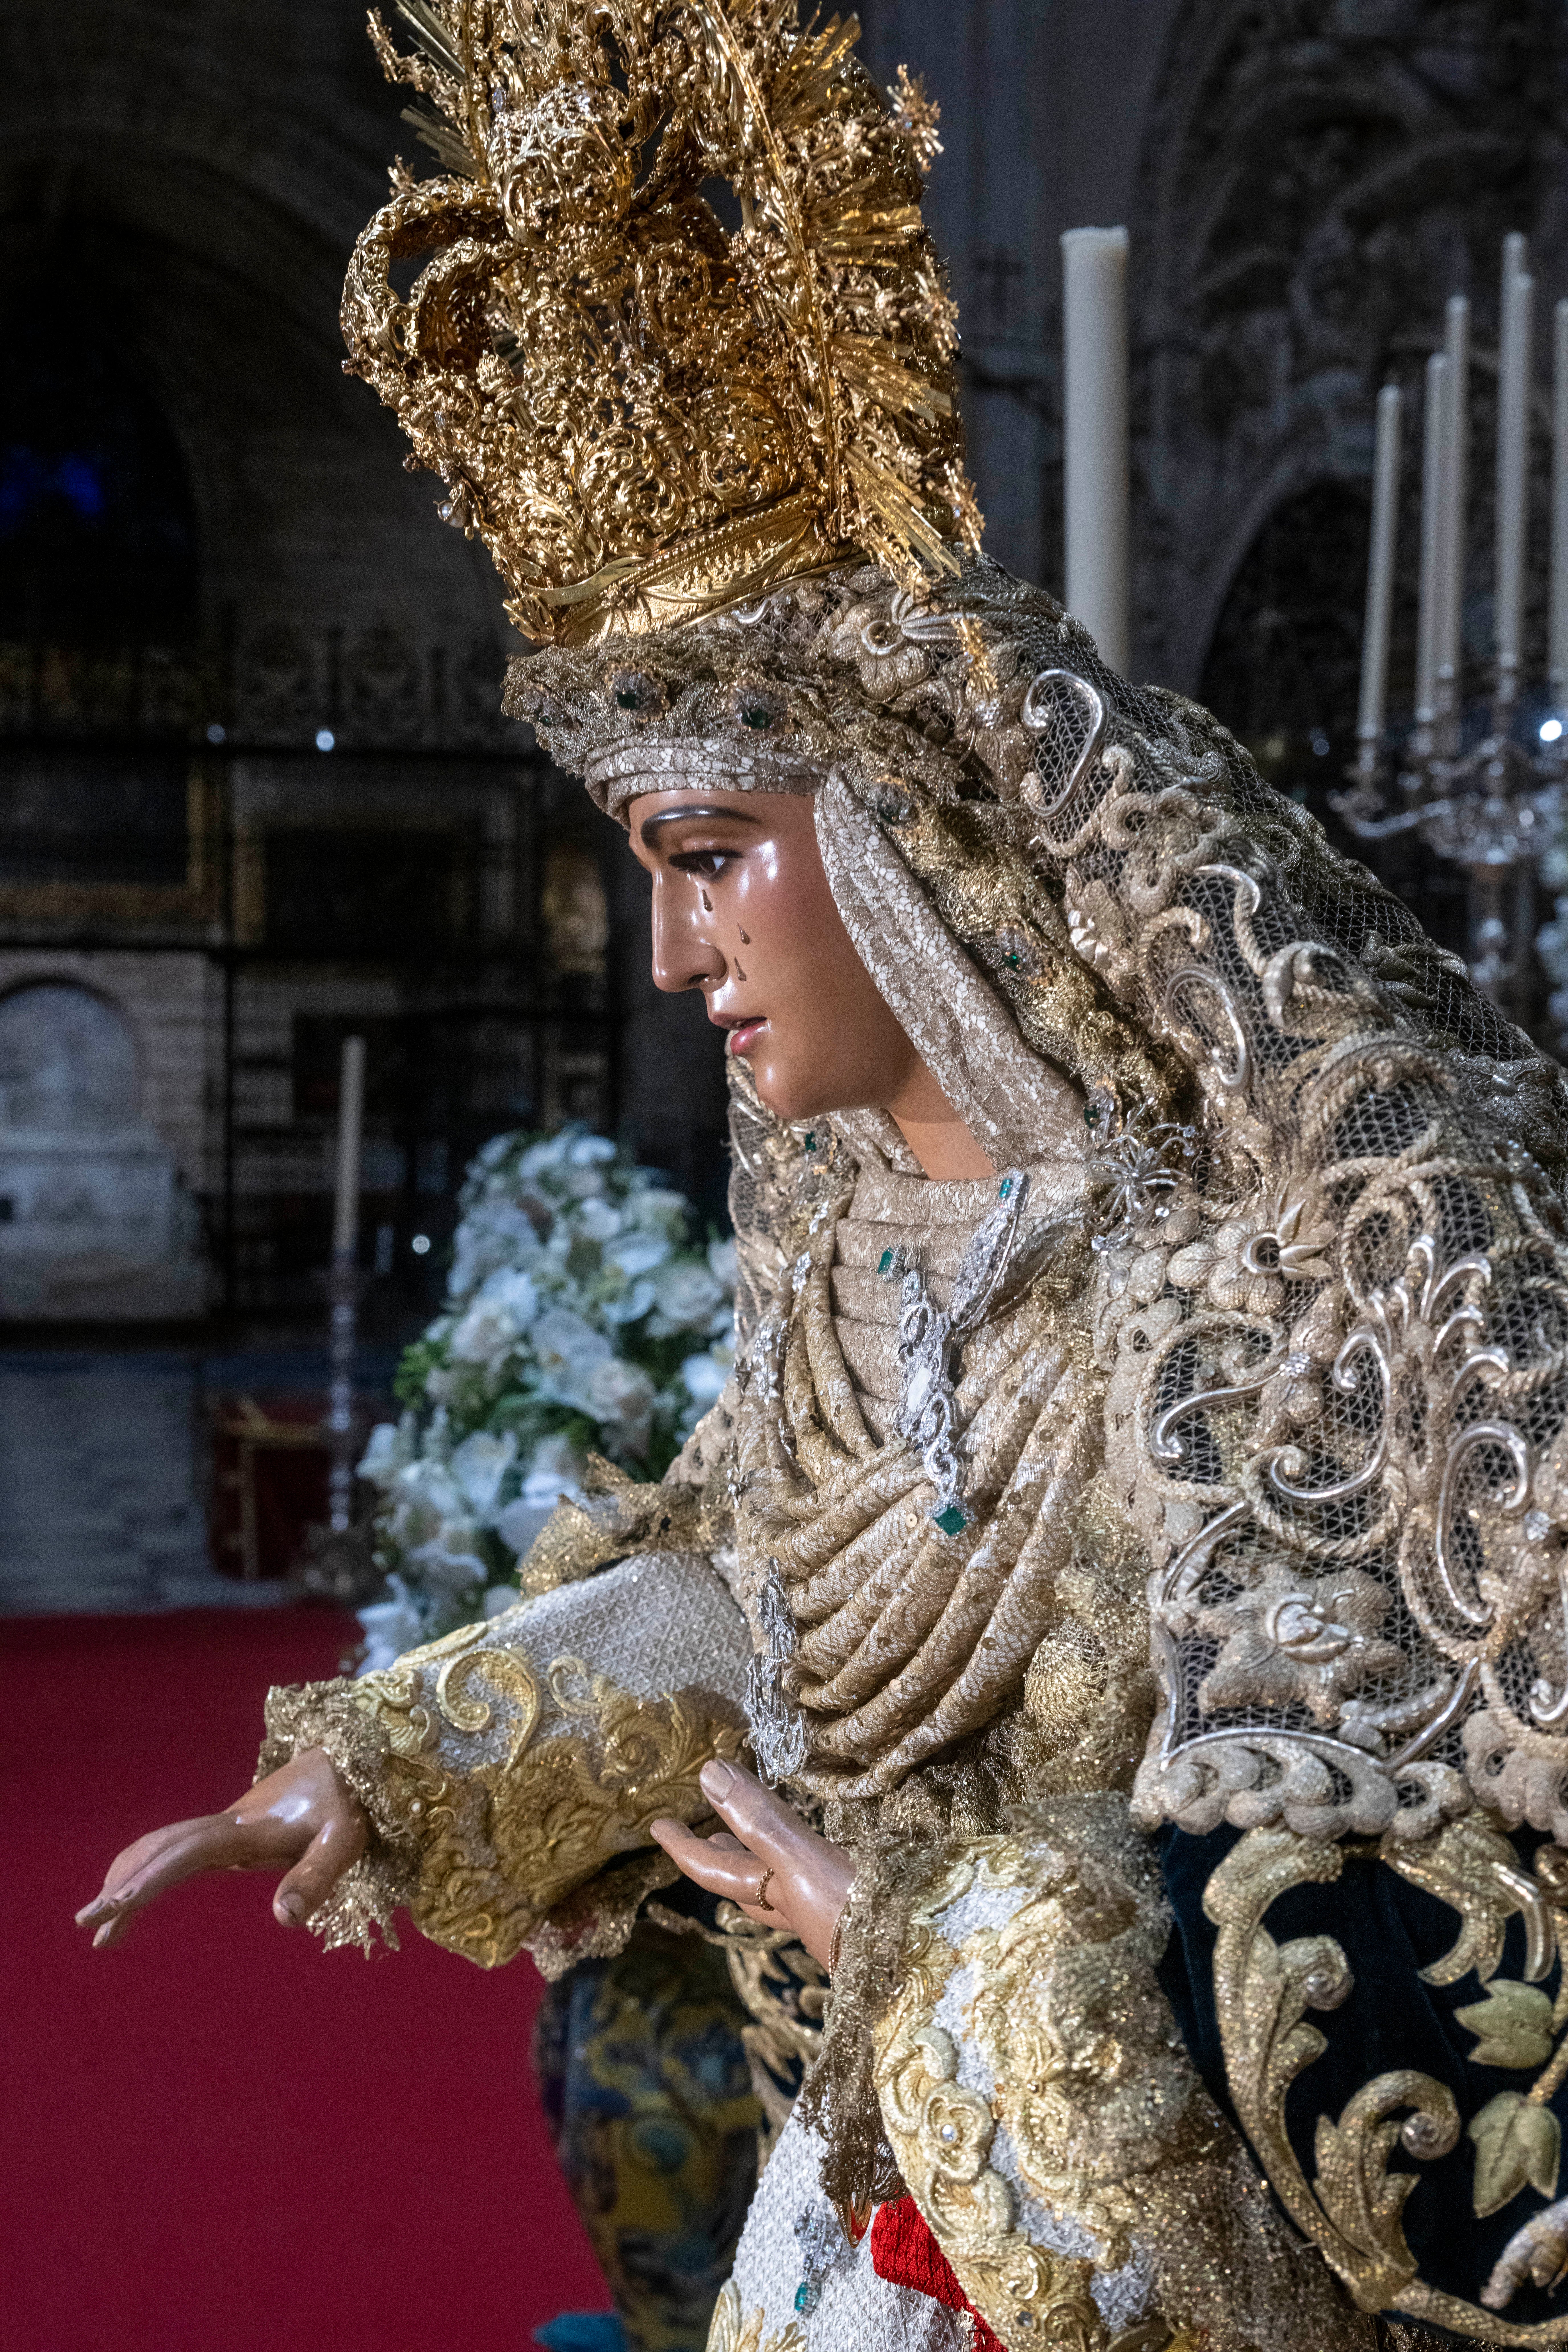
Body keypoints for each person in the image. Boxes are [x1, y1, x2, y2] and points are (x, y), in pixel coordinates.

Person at [78, 5, 1568, 2345]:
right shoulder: (855, 1234)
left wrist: (930, 1959)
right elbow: (771, 1596)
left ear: (900, 843)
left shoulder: (1251, 1262)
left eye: (707, 857)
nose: (675, 956)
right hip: (862, 2177)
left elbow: (1382, 1918)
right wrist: (398, 1754)